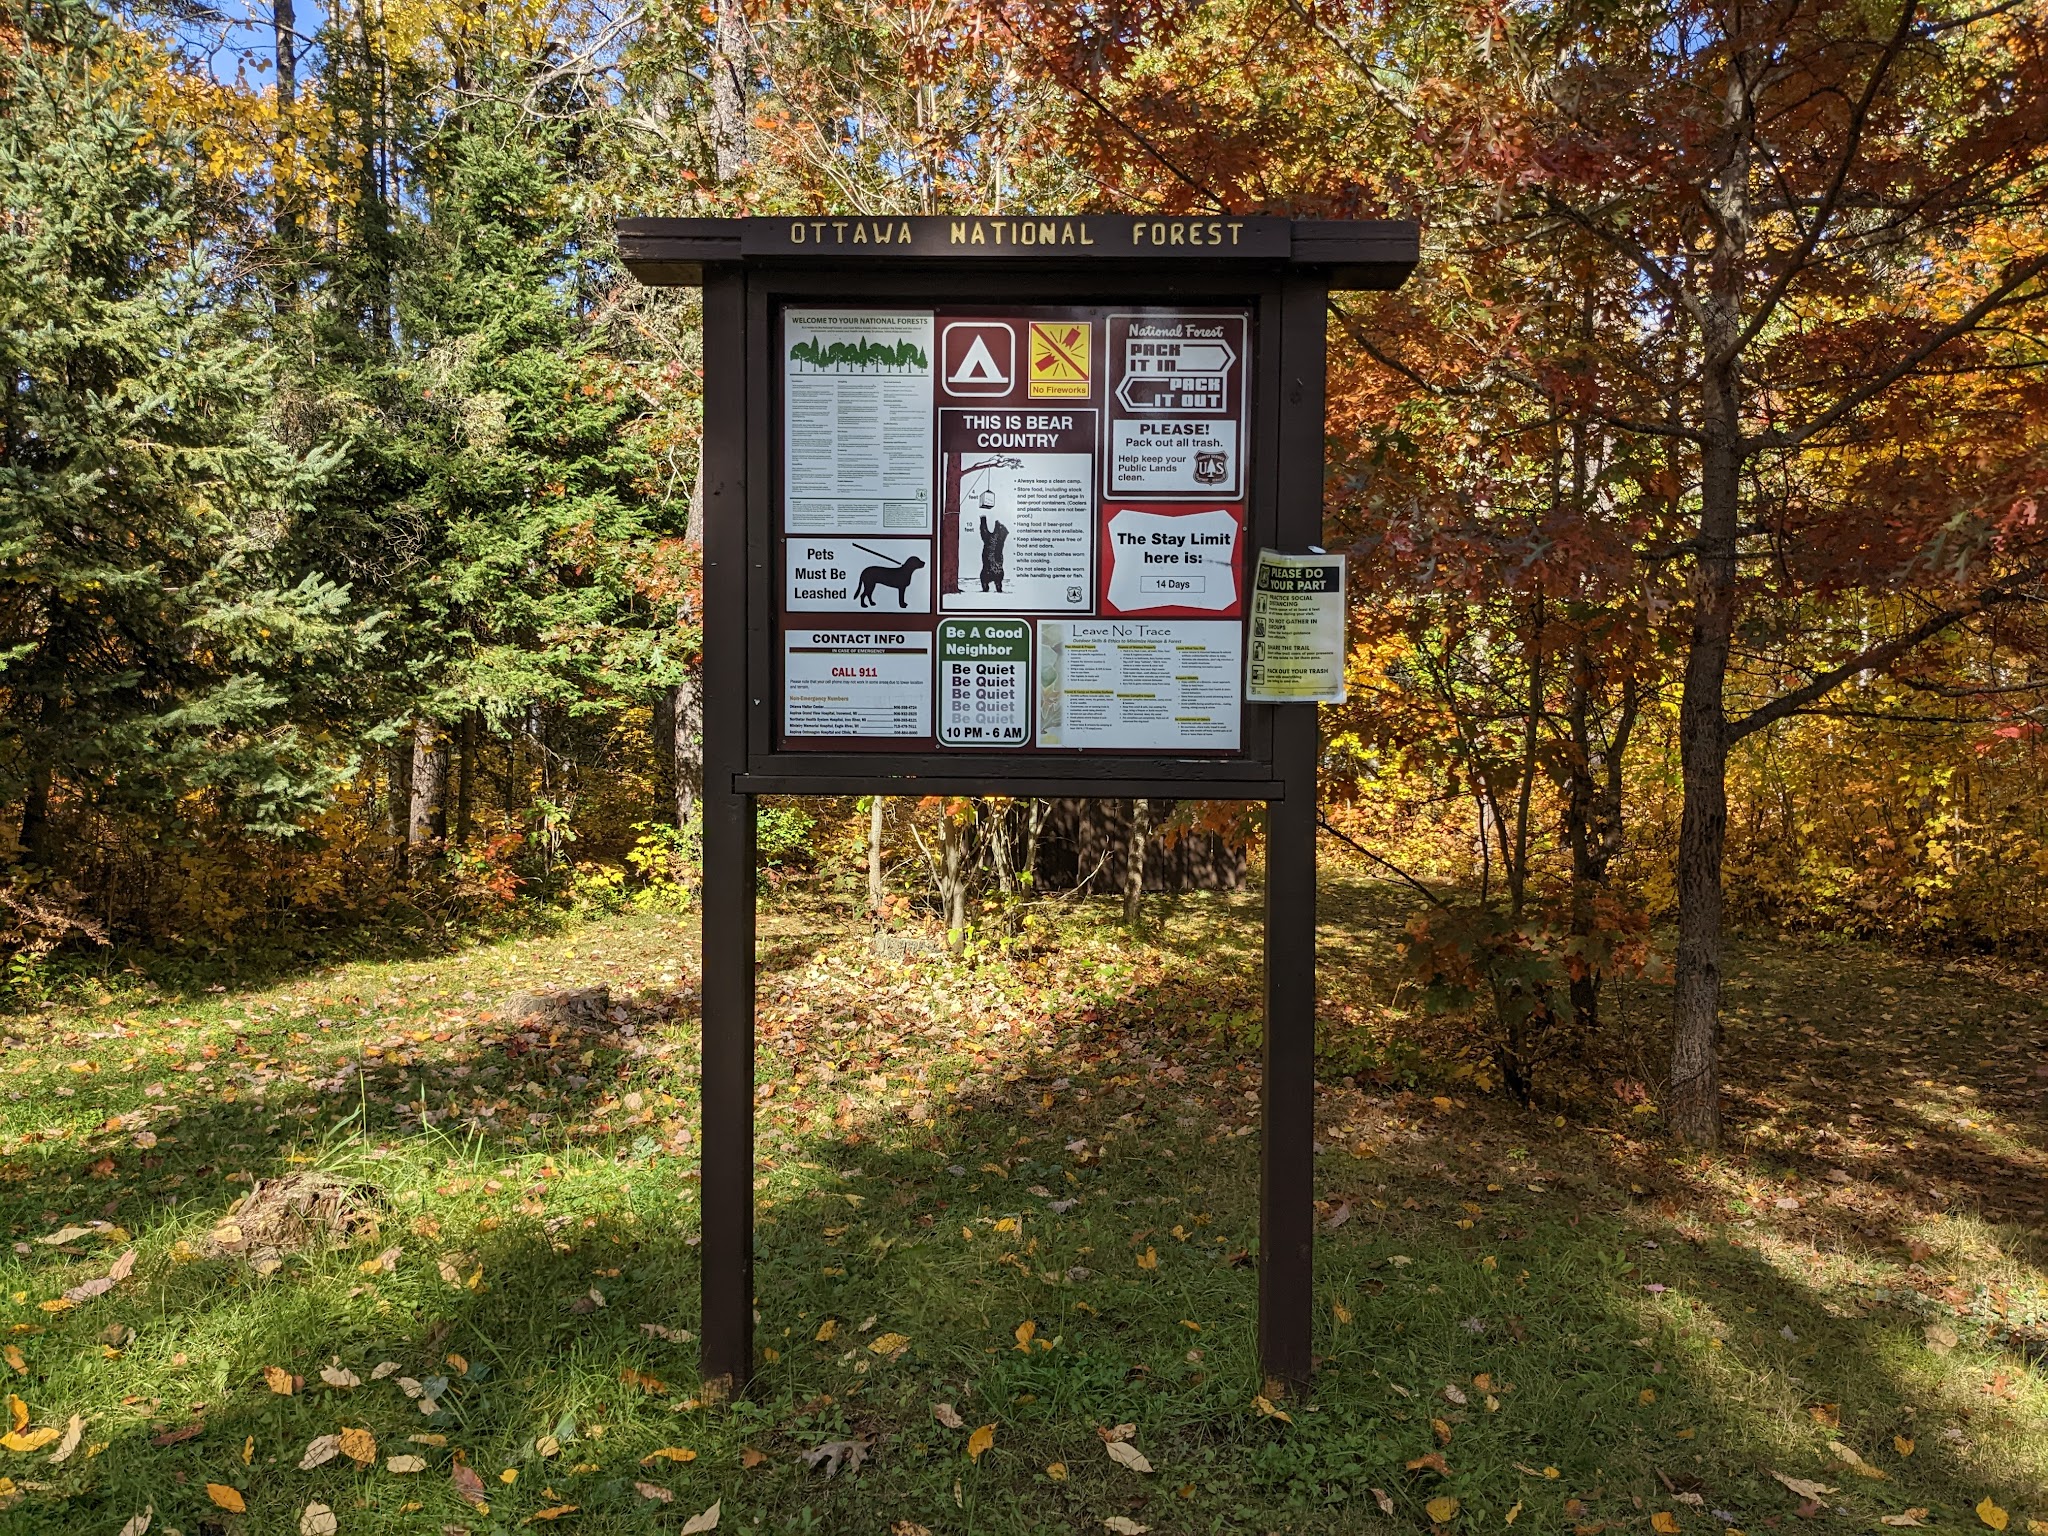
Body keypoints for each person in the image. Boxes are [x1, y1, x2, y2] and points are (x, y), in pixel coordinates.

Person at [978, 515, 1009, 594]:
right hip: (998, 569)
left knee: (984, 578)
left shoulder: (989, 539)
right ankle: (998, 587)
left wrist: (983, 520)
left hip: (988, 569)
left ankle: (986, 588)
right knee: (998, 579)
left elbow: (983, 530)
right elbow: (1005, 532)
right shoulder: (1001, 539)